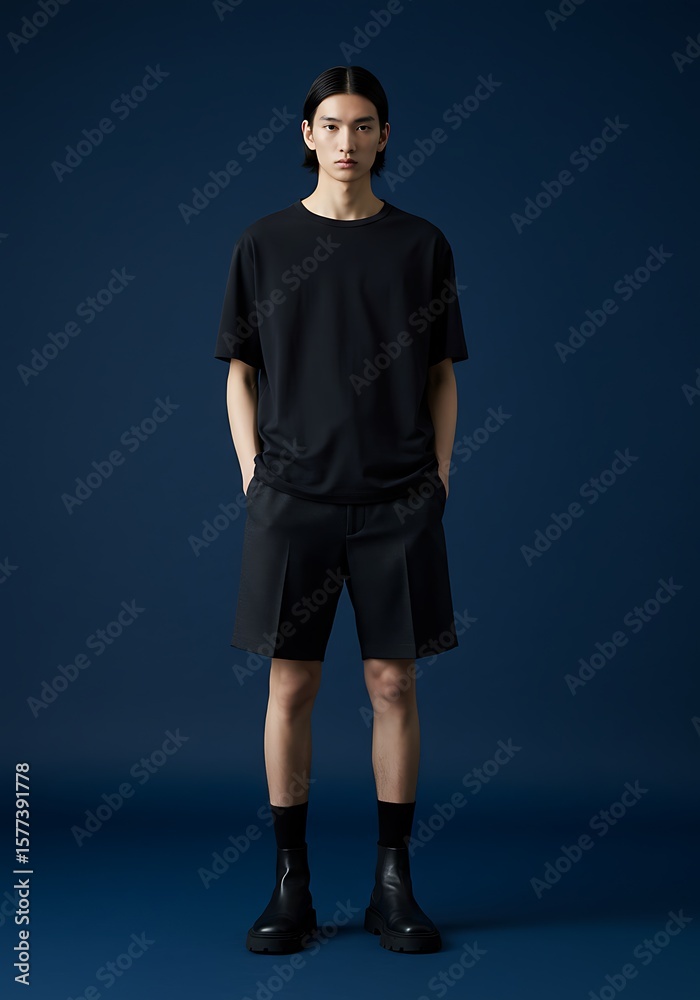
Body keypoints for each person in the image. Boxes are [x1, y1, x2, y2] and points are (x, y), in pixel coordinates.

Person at [213, 65, 468, 955]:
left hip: (398, 500)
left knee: (394, 683)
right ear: (307, 135)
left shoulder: (421, 245)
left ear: (385, 136)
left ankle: (393, 884)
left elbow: (442, 375)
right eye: (331, 124)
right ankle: (292, 882)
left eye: (363, 125)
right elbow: (240, 373)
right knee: (292, 684)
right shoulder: (264, 242)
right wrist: (253, 473)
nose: (347, 141)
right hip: (294, 501)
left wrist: (439, 476)